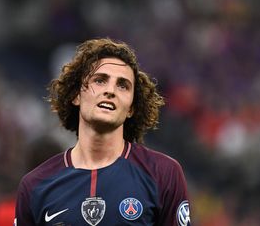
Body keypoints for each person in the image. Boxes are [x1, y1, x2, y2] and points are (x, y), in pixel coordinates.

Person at [14, 38, 191, 226]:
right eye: (100, 80)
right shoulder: (35, 185)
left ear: (131, 108)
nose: (110, 91)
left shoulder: (163, 173)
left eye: (123, 85)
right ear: (76, 95)